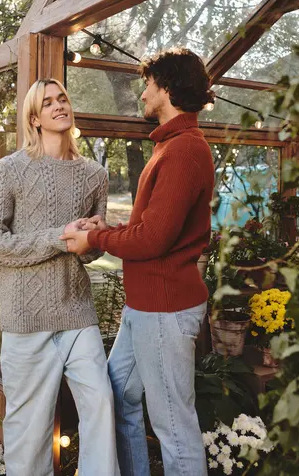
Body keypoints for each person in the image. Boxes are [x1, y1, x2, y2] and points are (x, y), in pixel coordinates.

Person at [61, 48, 215, 476]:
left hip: (165, 309)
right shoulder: (170, 146)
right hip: (144, 306)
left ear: (165, 87)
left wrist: (94, 238)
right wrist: (107, 223)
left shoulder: (184, 150)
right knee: (119, 393)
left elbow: (153, 239)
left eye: (148, 83)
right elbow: (153, 224)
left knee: (173, 426)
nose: (142, 91)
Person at [0, 79, 119, 476]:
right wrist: (59, 237)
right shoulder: (10, 169)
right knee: (29, 429)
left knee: (102, 406)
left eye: (63, 99)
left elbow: (90, 253)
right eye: (48, 103)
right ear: (34, 118)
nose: (59, 106)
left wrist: (93, 238)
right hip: (26, 318)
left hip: (77, 312)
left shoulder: (96, 174)